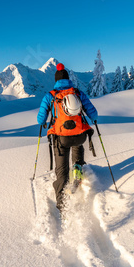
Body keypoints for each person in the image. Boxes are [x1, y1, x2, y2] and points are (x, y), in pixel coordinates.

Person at [37, 63, 98, 212]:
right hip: (79, 135)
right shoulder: (78, 93)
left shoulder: (50, 95)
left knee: (61, 171)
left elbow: (40, 119)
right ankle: (77, 167)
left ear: (56, 80)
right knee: (77, 144)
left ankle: (62, 203)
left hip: (60, 138)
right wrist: (93, 120)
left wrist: (44, 123)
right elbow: (93, 113)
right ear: (68, 79)